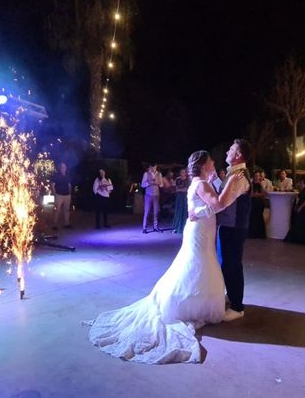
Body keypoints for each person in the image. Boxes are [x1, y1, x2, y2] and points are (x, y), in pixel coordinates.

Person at [86, 150, 246, 364]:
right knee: (198, 265)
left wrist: (201, 211)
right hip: (200, 231)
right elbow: (217, 205)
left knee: (198, 264)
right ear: (203, 165)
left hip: (199, 229)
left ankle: (195, 303)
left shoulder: (198, 182)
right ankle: (188, 305)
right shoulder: (202, 184)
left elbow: (203, 208)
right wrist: (227, 186)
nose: (214, 163)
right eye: (210, 161)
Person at [213, 139, 253, 321]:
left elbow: (223, 202)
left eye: (230, 149)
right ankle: (233, 295)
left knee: (232, 264)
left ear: (238, 156)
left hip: (234, 227)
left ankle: (237, 307)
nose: (227, 151)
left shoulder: (239, 176)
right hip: (230, 225)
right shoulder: (234, 173)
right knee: (228, 263)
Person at [284, 177, 305, 244]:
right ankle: (298, 237)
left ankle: (302, 238)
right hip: (300, 205)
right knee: (298, 222)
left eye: (301, 181)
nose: (299, 182)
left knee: (301, 222)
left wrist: (301, 207)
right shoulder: (302, 188)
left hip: (304, 207)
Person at [141, 164, 163, 233]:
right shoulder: (146, 174)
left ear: (156, 166)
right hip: (148, 195)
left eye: (154, 166)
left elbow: (162, 185)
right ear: (149, 167)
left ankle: (156, 227)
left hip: (156, 195)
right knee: (147, 212)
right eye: (151, 167)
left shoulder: (159, 174)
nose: (153, 168)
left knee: (156, 212)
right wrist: (149, 183)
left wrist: (158, 183)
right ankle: (144, 228)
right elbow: (142, 185)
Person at [51, 162, 72, 229]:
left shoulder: (67, 176)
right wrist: (55, 194)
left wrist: (70, 193)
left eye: (64, 167)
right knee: (57, 210)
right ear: (60, 168)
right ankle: (54, 225)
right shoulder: (56, 176)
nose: (63, 168)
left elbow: (69, 185)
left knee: (66, 210)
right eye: (62, 167)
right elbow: (52, 185)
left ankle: (66, 224)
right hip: (59, 195)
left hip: (67, 195)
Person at [248, 171, 267, 238]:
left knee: (259, 217)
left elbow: (264, 193)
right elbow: (251, 194)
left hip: (259, 203)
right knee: (252, 217)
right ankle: (252, 234)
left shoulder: (260, 184)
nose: (257, 177)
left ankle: (259, 234)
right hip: (253, 203)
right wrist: (258, 195)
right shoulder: (251, 184)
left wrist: (258, 194)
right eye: (256, 176)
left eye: (258, 176)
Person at [172, 168, 190, 234]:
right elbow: (176, 188)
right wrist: (181, 189)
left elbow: (188, 189)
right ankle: (176, 227)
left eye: (184, 172)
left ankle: (184, 227)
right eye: (181, 172)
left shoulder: (188, 180)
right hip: (179, 197)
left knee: (185, 211)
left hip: (185, 197)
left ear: (185, 173)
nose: (182, 173)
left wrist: (181, 189)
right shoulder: (178, 179)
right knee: (178, 211)